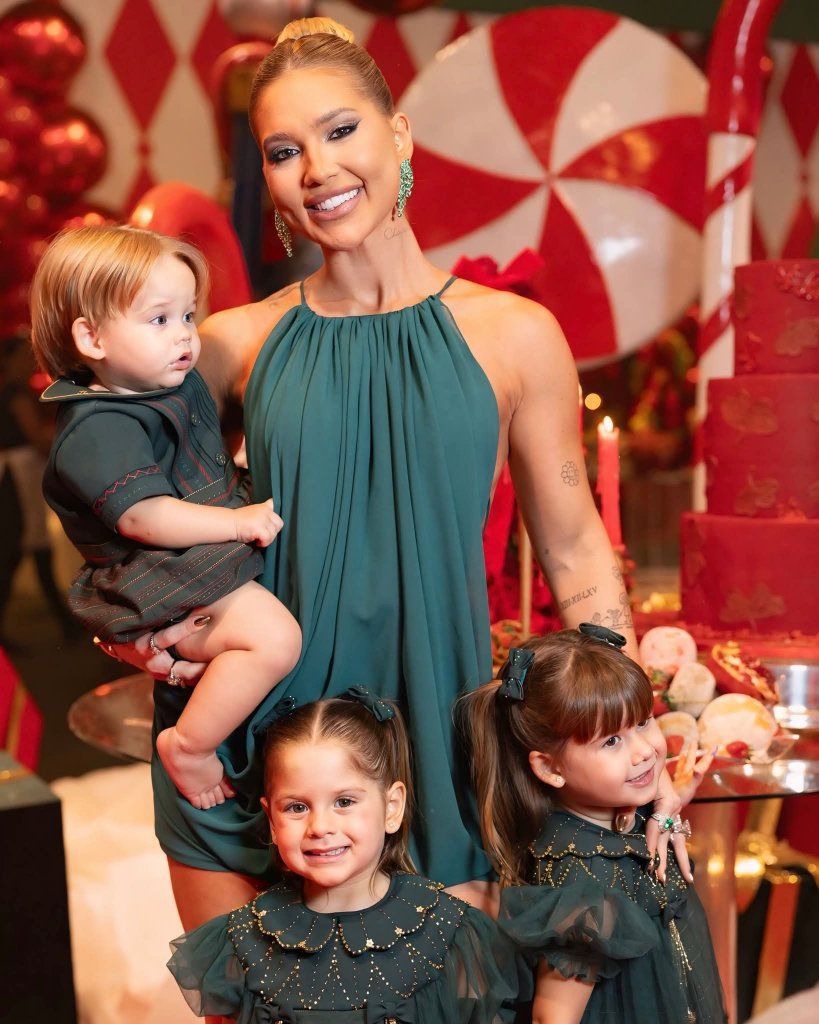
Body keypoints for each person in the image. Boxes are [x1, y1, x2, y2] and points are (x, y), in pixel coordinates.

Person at [102, 16, 685, 940]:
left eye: (341, 131)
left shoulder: (514, 336)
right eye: (284, 151)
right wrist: (134, 631)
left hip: (436, 749)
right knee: (246, 1003)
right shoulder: (228, 345)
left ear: (399, 135)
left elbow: (575, 548)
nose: (318, 169)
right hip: (257, 761)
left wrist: (626, 734)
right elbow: (112, 498)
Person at [29, 225, 302, 810]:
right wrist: (238, 522)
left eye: (188, 315)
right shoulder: (99, 426)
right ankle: (191, 746)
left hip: (189, 547)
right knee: (275, 640)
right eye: (159, 319)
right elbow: (145, 518)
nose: (184, 335)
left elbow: (190, 456)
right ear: (91, 337)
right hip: (157, 568)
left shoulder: (162, 385)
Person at [167, 688, 519, 1022]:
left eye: (344, 802)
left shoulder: (448, 932)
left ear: (392, 807)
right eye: (297, 807)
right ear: (272, 820)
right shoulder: (243, 939)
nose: (320, 827)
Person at [460, 625, 726, 1024]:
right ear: (549, 768)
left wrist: (672, 802)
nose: (643, 751)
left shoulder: (615, 810)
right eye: (611, 741)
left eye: (643, 722)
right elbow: (553, 1017)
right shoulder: (586, 877)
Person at [0, 335, 78, 648]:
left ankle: (66, 622)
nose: (28, 362)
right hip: (17, 477)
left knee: (26, 552)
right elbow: (36, 438)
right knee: (18, 551)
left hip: (18, 475)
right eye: (22, 355)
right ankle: (66, 623)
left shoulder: (14, 391)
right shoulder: (16, 393)